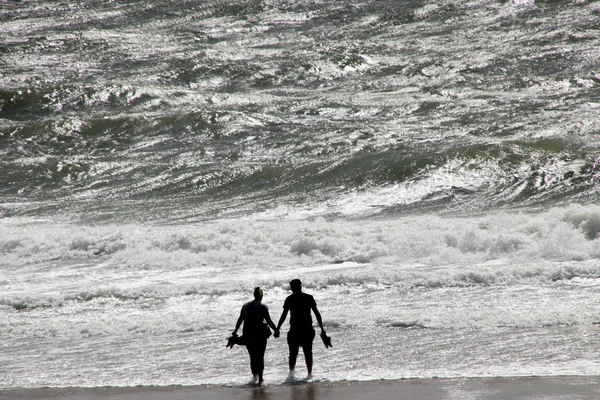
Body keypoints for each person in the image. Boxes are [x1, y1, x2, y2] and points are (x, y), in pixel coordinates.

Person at [275, 279, 326, 379]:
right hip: (306, 329)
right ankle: (308, 374)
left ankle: (292, 375)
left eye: (292, 287)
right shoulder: (308, 298)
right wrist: (322, 329)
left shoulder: (290, 299)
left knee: (294, 354)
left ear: (294, 287)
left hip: (296, 330)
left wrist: (277, 329)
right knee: (307, 352)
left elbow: (284, 315)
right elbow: (317, 314)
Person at [232, 287, 279, 385]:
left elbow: (240, 319)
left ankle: (254, 377)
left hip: (248, 334)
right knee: (260, 356)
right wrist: (276, 330)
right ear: (262, 296)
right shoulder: (263, 307)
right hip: (260, 334)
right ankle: (261, 379)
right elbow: (269, 321)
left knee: (253, 357)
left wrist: (235, 331)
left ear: (254, 295)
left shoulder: (245, 306)